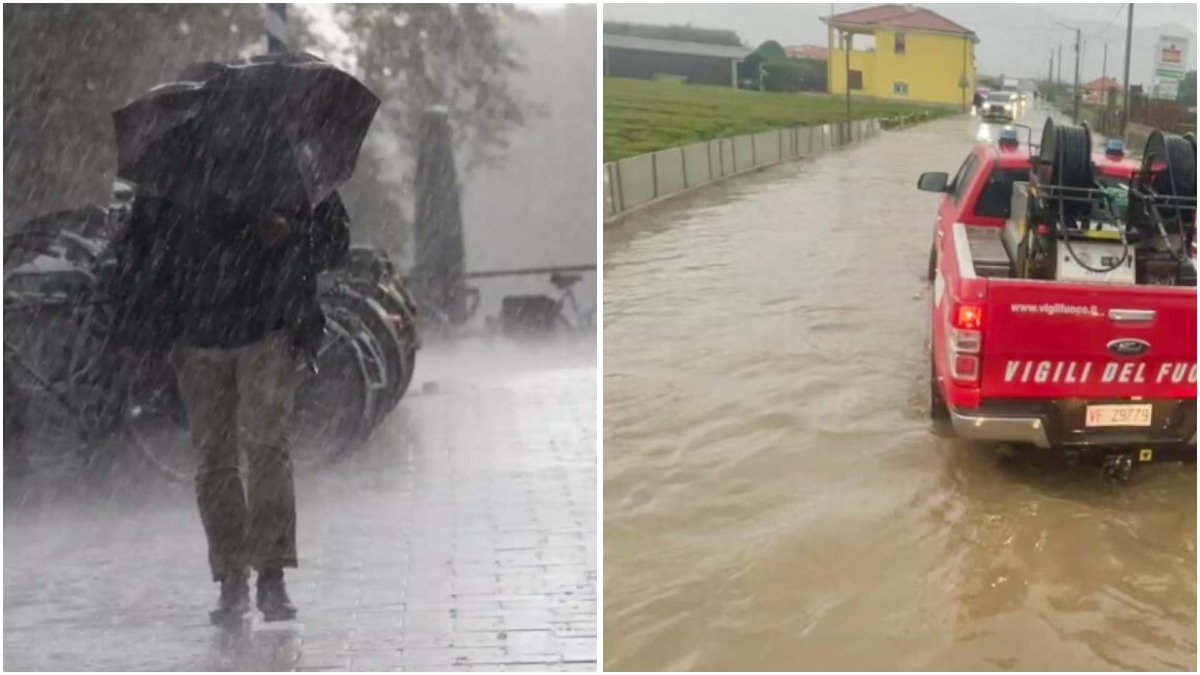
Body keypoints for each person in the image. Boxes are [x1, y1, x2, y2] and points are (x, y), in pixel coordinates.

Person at [106, 189, 350, 625]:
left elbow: (334, 242)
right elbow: (139, 251)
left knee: (266, 449)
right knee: (216, 459)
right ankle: (232, 577)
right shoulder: (176, 169)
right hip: (197, 335)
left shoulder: (285, 159)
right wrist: (137, 325)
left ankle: (269, 576)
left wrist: (290, 234)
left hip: (268, 327)